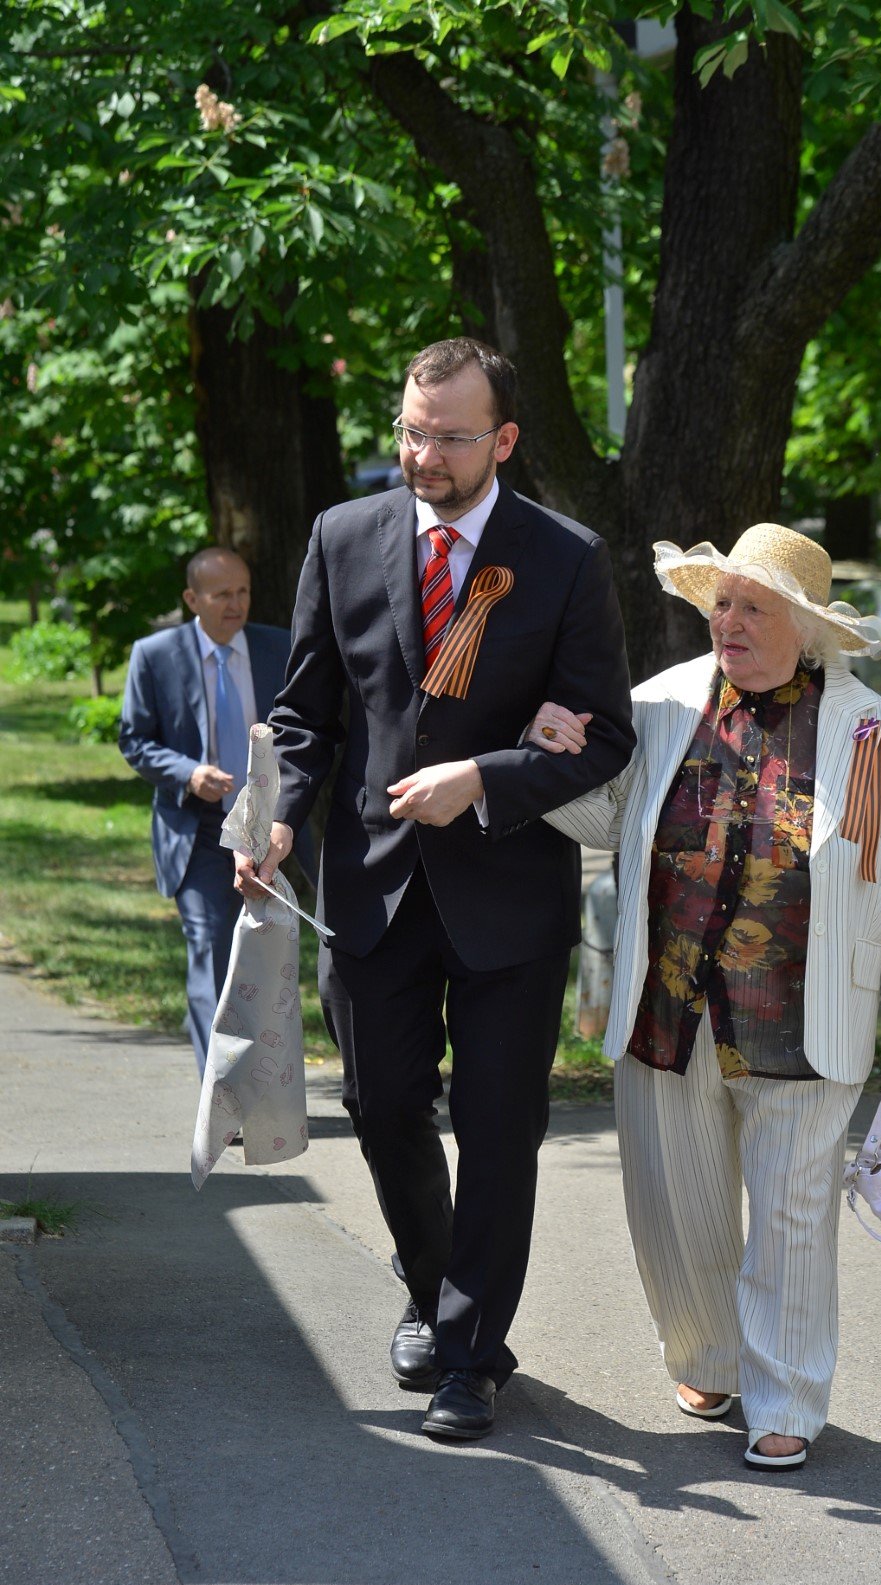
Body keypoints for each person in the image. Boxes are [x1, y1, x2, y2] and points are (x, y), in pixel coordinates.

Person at [236, 337, 634, 1441]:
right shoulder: (342, 536)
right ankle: (430, 1289)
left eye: (450, 436)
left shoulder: (563, 556)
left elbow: (602, 736)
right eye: (411, 430)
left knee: (498, 1128)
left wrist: (486, 778)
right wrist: (274, 816)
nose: (423, 454)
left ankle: (470, 1354)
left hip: (509, 897)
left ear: (502, 439)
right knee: (381, 1110)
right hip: (370, 884)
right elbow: (309, 712)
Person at [531, 523, 881, 1471]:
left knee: (792, 1220)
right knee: (677, 1208)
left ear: (802, 628)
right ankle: (706, 1354)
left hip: (806, 1012)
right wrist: (550, 756)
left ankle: (788, 1398)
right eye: (719, 603)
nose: (727, 620)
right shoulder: (658, 705)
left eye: (751, 606)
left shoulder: (874, 735)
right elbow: (606, 820)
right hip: (669, 1006)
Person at [119, 548, 299, 1079]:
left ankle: (264, 1077)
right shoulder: (155, 655)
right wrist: (186, 772)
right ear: (192, 599)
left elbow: (302, 733)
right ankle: (220, 1088)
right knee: (211, 949)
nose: (235, 603)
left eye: (242, 591)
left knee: (265, 962)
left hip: (267, 831)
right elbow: (135, 740)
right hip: (196, 830)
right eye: (222, 594)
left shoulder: (279, 647)